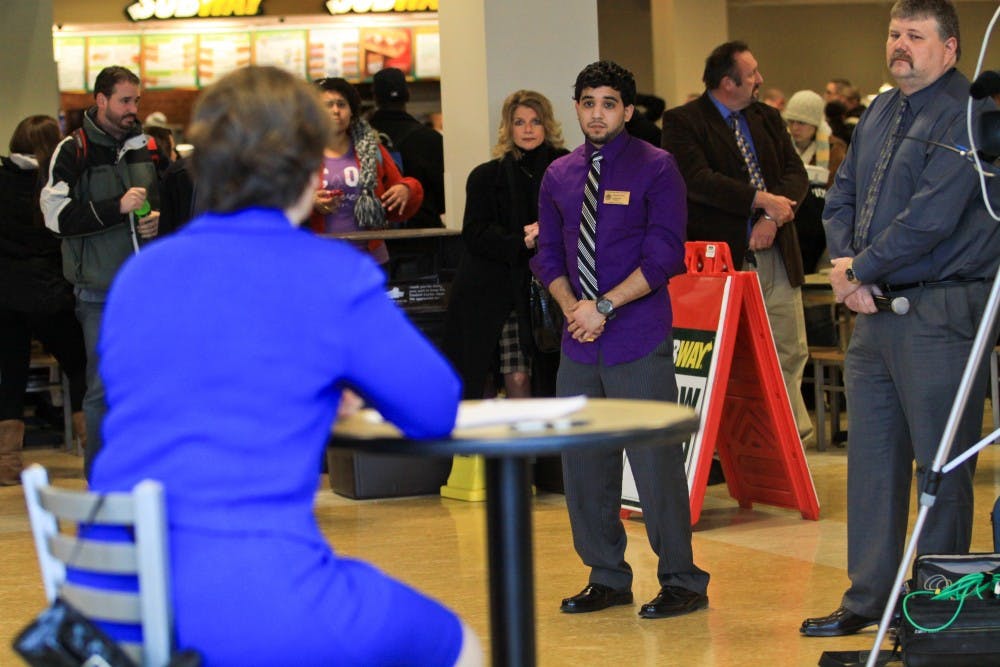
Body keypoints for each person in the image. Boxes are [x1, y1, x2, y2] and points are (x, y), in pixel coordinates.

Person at [88, 65, 482, 666]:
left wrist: (306, 385)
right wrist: (331, 384)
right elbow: (434, 410)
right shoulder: (331, 273)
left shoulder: (143, 273)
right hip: (252, 593)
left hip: (112, 600)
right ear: (305, 163)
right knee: (459, 644)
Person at [801, 0, 1000, 637]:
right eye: (894, 33)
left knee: (940, 469)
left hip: (939, 312)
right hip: (873, 313)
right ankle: (868, 600)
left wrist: (860, 271)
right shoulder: (882, 108)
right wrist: (844, 264)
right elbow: (845, 191)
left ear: (951, 48)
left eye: (915, 35)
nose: (900, 45)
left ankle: (932, 605)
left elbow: (934, 215)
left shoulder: (973, 114)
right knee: (873, 463)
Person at [530, 60, 709, 619]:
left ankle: (682, 578)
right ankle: (607, 575)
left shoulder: (658, 167)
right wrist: (575, 311)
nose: (598, 112)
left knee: (654, 465)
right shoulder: (559, 174)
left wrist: (604, 306)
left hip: (636, 335)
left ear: (627, 111)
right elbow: (549, 255)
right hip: (579, 342)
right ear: (577, 108)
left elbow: (664, 255)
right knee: (584, 467)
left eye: (609, 103)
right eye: (588, 102)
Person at [661, 41, 814, 449]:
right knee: (730, 357)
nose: (761, 80)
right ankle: (734, 442)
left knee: (789, 345)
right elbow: (696, 179)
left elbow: (794, 175)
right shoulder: (683, 122)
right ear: (728, 82)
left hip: (776, 250)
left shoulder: (766, 117)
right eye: (752, 74)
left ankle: (786, 437)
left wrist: (769, 218)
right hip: (721, 257)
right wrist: (759, 200)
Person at [40, 65, 160, 479]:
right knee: (104, 390)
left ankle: (144, 476)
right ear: (101, 100)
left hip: (144, 289)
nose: (132, 109)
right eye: (125, 101)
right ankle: (103, 482)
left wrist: (151, 220)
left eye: (137, 101)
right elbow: (55, 217)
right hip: (99, 292)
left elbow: (148, 204)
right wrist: (116, 209)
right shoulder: (72, 151)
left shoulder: (143, 146)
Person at [444, 90, 568, 400]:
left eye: (535, 121)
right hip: (496, 290)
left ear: (547, 125)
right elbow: (474, 233)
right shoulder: (487, 176)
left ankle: (542, 448)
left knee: (546, 380)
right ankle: (508, 448)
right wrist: (521, 242)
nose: (527, 129)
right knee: (511, 377)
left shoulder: (567, 169)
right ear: (508, 127)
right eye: (519, 122)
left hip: (554, 290)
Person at [0, 115, 87, 484]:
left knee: (9, 377)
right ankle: (94, 451)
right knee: (80, 365)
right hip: (51, 294)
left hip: (4, 295)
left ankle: (6, 464)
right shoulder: (56, 182)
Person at [309, 77, 423, 267]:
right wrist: (310, 201)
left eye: (341, 104)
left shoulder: (372, 149)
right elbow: (280, 201)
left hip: (371, 260)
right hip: (318, 259)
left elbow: (401, 189)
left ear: (352, 111)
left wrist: (406, 189)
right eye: (328, 105)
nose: (336, 111)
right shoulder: (300, 153)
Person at [369, 67, 445, 228]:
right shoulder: (431, 139)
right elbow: (443, 199)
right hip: (422, 235)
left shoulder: (358, 139)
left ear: (375, 97)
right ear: (408, 95)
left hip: (375, 235)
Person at [783, 89, 848, 273]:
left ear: (815, 124)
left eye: (802, 123)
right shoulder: (782, 145)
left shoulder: (834, 149)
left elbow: (839, 188)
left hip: (818, 225)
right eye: (791, 122)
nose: (795, 128)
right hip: (789, 220)